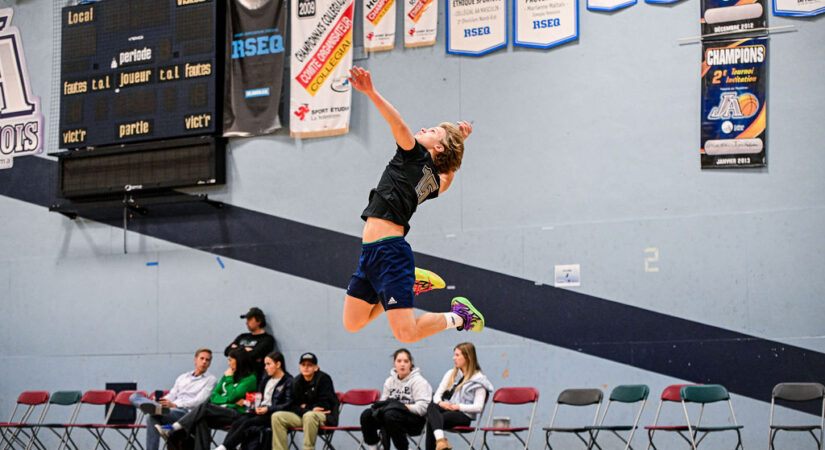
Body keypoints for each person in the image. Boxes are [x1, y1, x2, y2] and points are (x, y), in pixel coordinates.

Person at [342, 65, 485, 343]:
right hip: (371, 253)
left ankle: (461, 317)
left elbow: (398, 123)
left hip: (391, 253)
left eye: (431, 131)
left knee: (406, 334)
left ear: (438, 148)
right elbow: (448, 174)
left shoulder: (414, 155)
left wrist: (371, 92)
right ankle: (412, 282)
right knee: (353, 322)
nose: (423, 129)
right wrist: (457, 142)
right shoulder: (435, 181)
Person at [156, 348, 257, 450]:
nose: (228, 363)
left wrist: (229, 384)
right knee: (201, 418)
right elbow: (214, 396)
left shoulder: (249, 379)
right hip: (221, 411)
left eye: (230, 360)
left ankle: (174, 428)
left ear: (238, 360)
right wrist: (229, 400)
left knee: (205, 407)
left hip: (237, 413)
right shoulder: (229, 374)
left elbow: (232, 396)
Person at [129, 348, 218, 450]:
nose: (204, 362)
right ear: (195, 360)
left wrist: (175, 405)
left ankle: (156, 409)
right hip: (171, 410)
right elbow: (172, 394)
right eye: (202, 358)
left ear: (209, 363)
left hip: (188, 414)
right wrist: (161, 401)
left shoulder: (211, 380)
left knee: (152, 417)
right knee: (134, 397)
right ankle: (156, 407)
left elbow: (199, 401)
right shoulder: (183, 377)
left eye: (207, 360)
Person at [214, 351, 293, 450]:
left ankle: (224, 447)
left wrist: (268, 409)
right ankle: (226, 447)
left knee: (248, 423)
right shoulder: (266, 380)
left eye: (268, 364)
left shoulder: (288, 381)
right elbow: (258, 398)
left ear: (278, 364)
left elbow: (288, 404)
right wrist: (247, 403)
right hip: (260, 411)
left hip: (273, 414)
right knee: (239, 421)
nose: (265, 367)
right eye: (265, 364)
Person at [425, 342, 493, 450]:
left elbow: (478, 407)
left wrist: (458, 407)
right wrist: (441, 403)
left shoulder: (479, 380)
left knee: (433, 420)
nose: (454, 358)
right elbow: (437, 396)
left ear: (467, 357)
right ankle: (440, 441)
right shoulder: (451, 374)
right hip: (449, 408)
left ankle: (440, 442)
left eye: (457, 355)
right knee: (432, 406)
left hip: (463, 416)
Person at [361, 348, 432, 450]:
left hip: (414, 420)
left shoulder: (419, 382)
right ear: (394, 363)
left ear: (410, 364)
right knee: (367, 415)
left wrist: (401, 407)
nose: (402, 364)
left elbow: (423, 408)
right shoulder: (389, 381)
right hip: (389, 417)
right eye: (399, 361)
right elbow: (383, 403)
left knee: (390, 415)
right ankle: (373, 446)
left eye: (406, 361)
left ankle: (403, 448)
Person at [270, 352, 338, 450]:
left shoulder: (324, 379)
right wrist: (309, 409)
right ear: (300, 367)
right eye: (303, 365)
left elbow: (325, 405)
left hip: (325, 417)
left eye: (309, 365)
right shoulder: (296, 381)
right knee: (277, 416)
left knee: (309, 416)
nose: (306, 368)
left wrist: (305, 407)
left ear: (316, 368)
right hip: (304, 415)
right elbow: (293, 406)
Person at [225, 307, 278, 380]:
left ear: (259, 321)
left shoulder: (267, 339)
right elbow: (227, 351)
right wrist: (246, 350)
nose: (246, 322)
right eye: (246, 320)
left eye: (249, 319)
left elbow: (254, 354)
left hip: (254, 377)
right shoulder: (242, 336)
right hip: (237, 376)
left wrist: (236, 349)